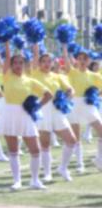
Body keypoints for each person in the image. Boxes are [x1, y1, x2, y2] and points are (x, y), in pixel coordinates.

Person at [0, 46, 51, 190]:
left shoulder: (30, 81)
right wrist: (7, 42)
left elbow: (48, 94)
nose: (18, 65)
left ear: (25, 65)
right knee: (13, 150)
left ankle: (35, 180)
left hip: (26, 115)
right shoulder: (7, 76)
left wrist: (37, 106)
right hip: (9, 113)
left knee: (36, 150)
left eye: (21, 63)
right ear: (11, 65)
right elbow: (7, 57)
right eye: (15, 63)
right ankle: (17, 181)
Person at [32, 50, 77, 182]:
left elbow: (70, 89)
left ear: (53, 63)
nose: (46, 64)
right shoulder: (34, 74)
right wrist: (35, 45)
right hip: (42, 108)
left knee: (71, 140)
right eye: (43, 61)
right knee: (45, 143)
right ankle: (47, 173)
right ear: (39, 63)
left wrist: (68, 95)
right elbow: (34, 56)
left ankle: (63, 167)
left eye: (49, 61)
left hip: (56, 109)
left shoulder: (57, 76)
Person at [65, 49, 102, 172]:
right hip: (74, 103)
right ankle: (79, 164)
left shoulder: (95, 75)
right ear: (76, 60)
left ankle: (99, 159)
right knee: (76, 136)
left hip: (88, 104)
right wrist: (65, 47)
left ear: (89, 60)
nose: (82, 61)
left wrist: (95, 95)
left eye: (85, 59)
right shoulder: (72, 72)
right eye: (80, 58)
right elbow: (66, 61)